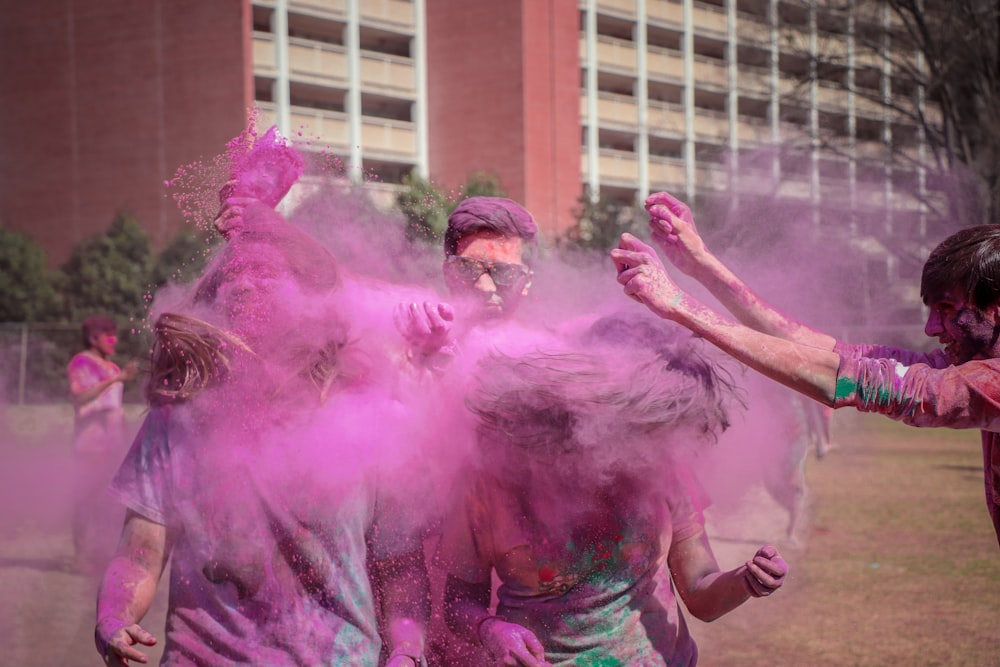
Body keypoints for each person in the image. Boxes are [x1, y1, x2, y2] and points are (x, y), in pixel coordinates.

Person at [94, 129, 430, 666]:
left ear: (310, 299)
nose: (244, 286)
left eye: (265, 273)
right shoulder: (180, 419)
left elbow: (400, 565)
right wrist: (113, 617)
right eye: (233, 276)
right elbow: (140, 549)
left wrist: (408, 652)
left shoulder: (367, 416)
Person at [612, 190, 1000, 549]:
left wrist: (681, 306)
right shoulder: (970, 365)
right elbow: (836, 353)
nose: (931, 329)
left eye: (947, 310)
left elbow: (862, 382)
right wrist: (702, 266)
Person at [437, 320, 788, 667]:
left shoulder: (663, 468)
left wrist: (745, 582)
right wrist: (491, 630)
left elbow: (701, 596)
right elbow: (458, 601)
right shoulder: (492, 478)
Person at [394, 195, 539, 368]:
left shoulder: (543, 356)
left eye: (504, 272)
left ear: (527, 282)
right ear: (448, 273)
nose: (484, 287)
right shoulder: (400, 351)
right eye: (466, 267)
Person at [66, 314, 138, 573]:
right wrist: (116, 381)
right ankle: (81, 556)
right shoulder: (82, 362)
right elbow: (80, 398)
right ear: (92, 338)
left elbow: (116, 410)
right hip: (90, 447)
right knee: (85, 501)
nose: (114, 339)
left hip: (112, 447)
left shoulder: (113, 368)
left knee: (108, 505)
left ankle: (100, 555)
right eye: (108, 335)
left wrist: (128, 441)